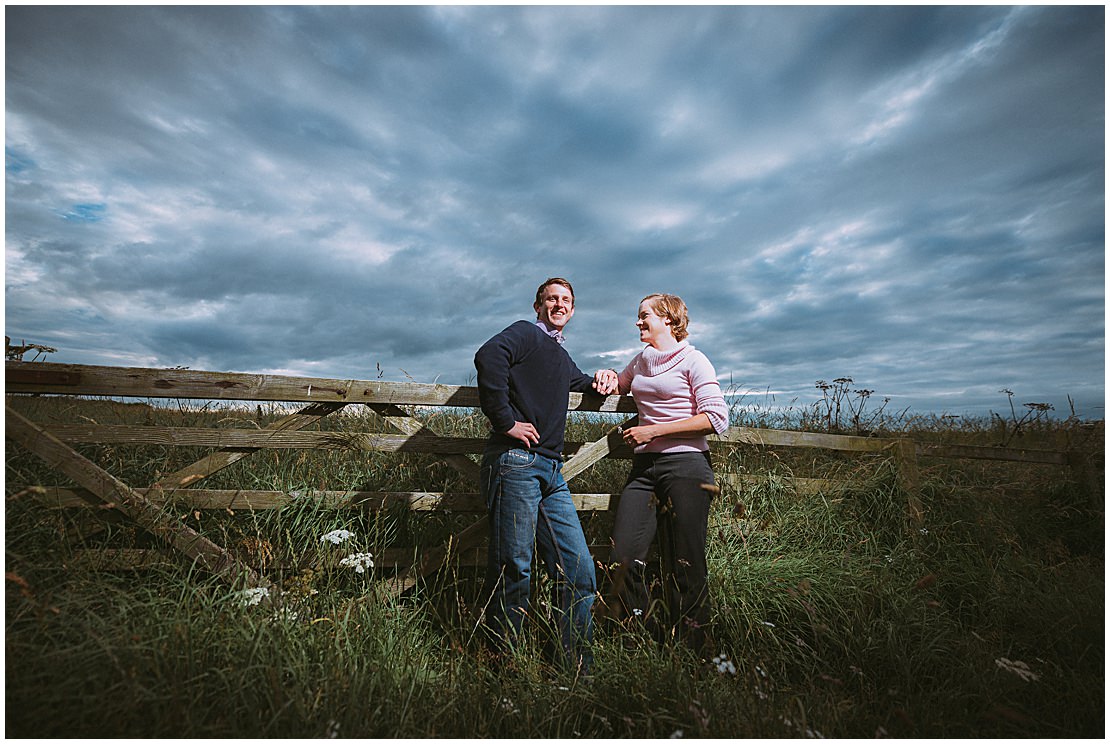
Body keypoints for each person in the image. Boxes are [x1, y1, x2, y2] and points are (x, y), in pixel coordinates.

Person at [474, 277, 618, 674]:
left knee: (578, 570)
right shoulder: (525, 334)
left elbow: (583, 382)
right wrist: (506, 421)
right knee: (514, 566)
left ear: (572, 311)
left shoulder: (558, 355)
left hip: (551, 471)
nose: (559, 304)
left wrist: (604, 377)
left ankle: (574, 670)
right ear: (537, 306)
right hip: (516, 462)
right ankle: (506, 668)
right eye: (551, 299)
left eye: (566, 300)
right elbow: (488, 357)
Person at [604, 293, 729, 654]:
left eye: (645, 316)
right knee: (622, 558)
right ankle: (642, 640)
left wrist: (653, 431)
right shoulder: (642, 359)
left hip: (687, 467)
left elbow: (716, 418)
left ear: (670, 320)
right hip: (644, 471)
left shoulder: (694, 360)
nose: (638, 322)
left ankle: (694, 649)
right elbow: (619, 383)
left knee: (685, 563)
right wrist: (607, 375)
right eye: (638, 316)